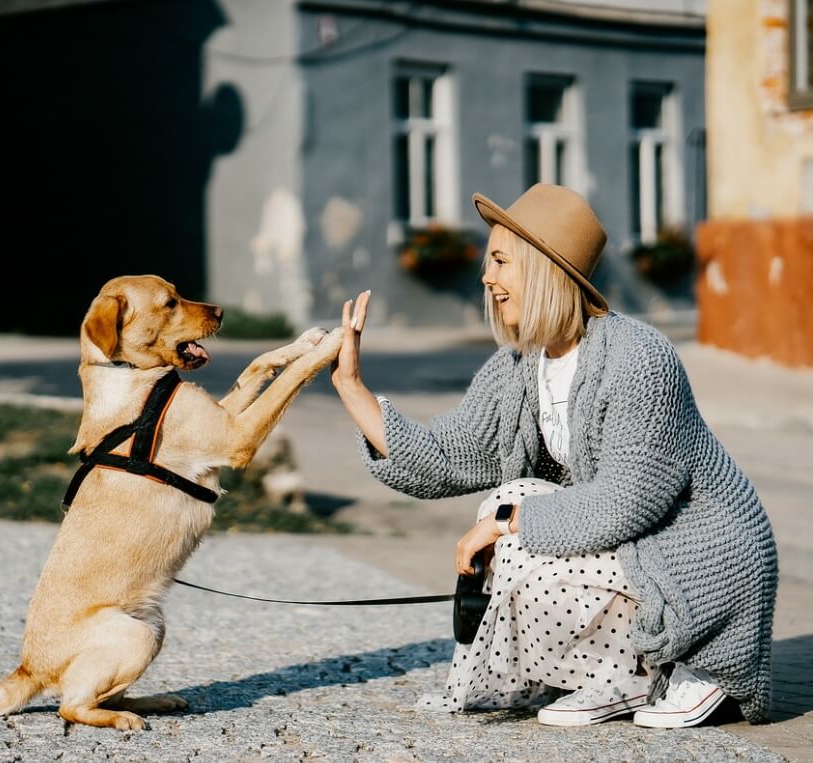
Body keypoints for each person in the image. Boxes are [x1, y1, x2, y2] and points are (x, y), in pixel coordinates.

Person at [329, 185, 777, 728]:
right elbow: (449, 455)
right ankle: (614, 675)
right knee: (509, 500)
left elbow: (626, 502)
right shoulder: (520, 365)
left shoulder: (639, 358)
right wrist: (353, 388)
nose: (486, 277)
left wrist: (504, 525)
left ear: (543, 267)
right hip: (635, 548)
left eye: (499, 261)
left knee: (512, 523)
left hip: (700, 558)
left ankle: (676, 666)